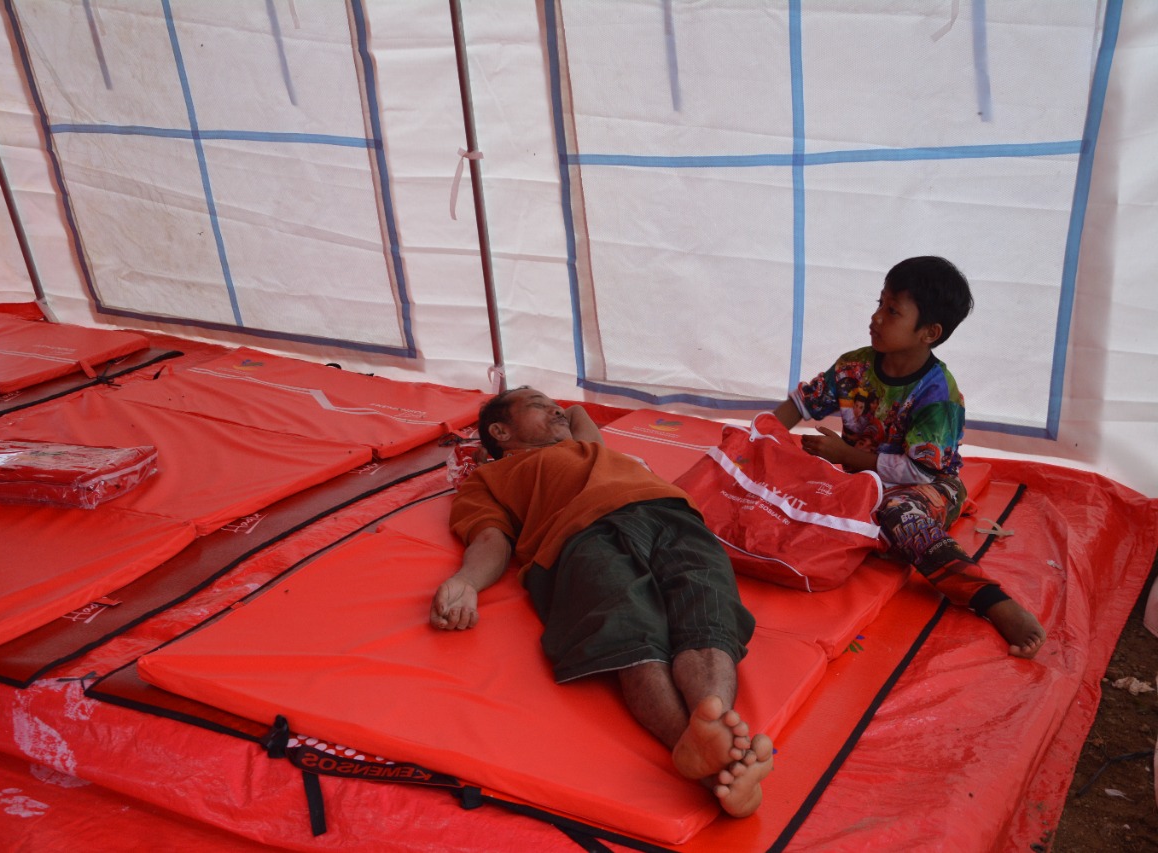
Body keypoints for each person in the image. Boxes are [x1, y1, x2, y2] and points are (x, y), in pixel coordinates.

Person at [430, 386, 773, 817]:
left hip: (670, 513)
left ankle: (714, 739)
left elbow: (576, 413)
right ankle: (712, 764)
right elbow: (488, 538)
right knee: (631, 634)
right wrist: (466, 582)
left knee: (707, 614)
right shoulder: (487, 479)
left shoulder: (586, 446)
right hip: (580, 536)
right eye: (539, 405)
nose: (557, 409)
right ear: (500, 430)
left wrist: (552, 413)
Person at [772, 255, 1046, 658]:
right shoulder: (854, 367)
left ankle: (991, 601)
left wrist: (845, 454)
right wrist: (761, 441)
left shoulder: (939, 394)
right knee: (786, 482)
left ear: (929, 333)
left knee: (897, 513)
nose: (876, 318)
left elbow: (919, 469)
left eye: (892, 311)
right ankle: (868, 533)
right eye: (879, 304)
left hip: (925, 487)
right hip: (859, 483)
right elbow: (801, 402)